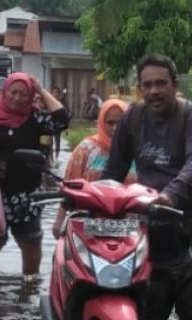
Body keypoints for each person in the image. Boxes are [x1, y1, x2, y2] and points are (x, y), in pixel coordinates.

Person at [104, 54, 192, 320]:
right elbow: (114, 170)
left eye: (160, 84)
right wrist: (94, 205)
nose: (153, 91)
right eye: (147, 85)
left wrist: (171, 193)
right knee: (151, 300)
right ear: (140, 88)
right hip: (153, 215)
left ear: (175, 85)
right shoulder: (132, 117)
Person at [0, 72, 68, 277]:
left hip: (27, 195)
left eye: (24, 94)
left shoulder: (35, 117)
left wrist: (40, 90)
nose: (17, 98)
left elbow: (62, 120)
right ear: (4, 92)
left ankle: (28, 292)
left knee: (31, 243)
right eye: (13, 92)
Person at [53, 97, 135, 238]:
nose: (115, 128)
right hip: (87, 224)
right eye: (110, 122)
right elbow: (69, 187)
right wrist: (59, 221)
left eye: (120, 122)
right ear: (101, 122)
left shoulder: (137, 151)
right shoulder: (86, 149)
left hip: (129, 227)